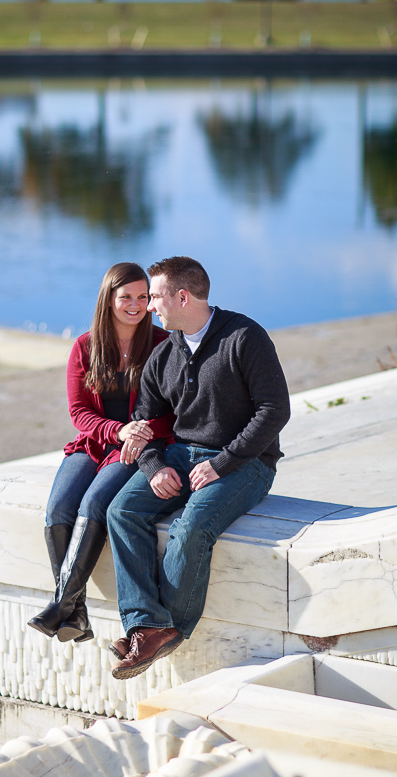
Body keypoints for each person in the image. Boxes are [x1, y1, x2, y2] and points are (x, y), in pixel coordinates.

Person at [106, 256, 290, 680]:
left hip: (247, 463)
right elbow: (145, 419)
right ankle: (145, 624)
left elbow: (274, 410)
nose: (150, 306)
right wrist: (152, 466)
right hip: (180, 456)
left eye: (155, 297)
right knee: (121, 510)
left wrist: (223, 464)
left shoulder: (244, 337)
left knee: (191, 527)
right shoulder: (163, 353)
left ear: (182, 296)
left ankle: (164, 629)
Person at [28, 262, 172, 643]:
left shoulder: (162, 344)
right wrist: (117, 429)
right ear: (109, 299)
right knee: (58, 507)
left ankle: (62, 606)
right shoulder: (84, 346)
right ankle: (75, 613)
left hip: (133, 451)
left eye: (144, 297)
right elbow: (79, 413)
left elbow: (172, 413)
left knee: (94, 505)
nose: (136, 305)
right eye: (126, 297)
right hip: (93, 444)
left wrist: (139, 434)